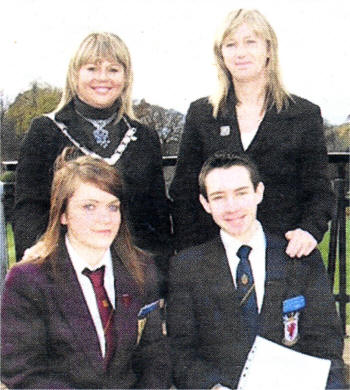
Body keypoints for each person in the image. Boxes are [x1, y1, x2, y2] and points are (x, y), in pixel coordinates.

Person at [167, 151, 345, 389]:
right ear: (205, 203)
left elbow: (327, 345)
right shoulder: (187, 267)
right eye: (219, 197)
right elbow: (181, 353)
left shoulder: (298, 257)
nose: (232, 207)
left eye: (241, 193)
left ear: (258, 192)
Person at [1, 148, 171, 389]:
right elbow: (22, 371)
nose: (105, 218)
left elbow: (154, 357)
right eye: (89, 207)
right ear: (63, 215)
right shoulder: (28, 280)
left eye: (112, 207)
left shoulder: (141, 269)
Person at [169, 9, 333, 257]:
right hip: (215, 257)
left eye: (250, 42)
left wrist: (309, 232)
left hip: (284, 253)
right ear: (221, 54)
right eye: (231, 44)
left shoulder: (303, 114)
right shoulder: (202, 113)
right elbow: (184, 191)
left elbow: (319, 191)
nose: (241, 52)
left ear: (269, 49)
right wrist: (194, 253)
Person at [13, 32, 171, 278]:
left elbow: (156, 217)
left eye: (113, 70)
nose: (103, 78)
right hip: (66, 274)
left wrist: (159, 278)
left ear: (126, 77)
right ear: (75, 74)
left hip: (133, 275)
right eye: (92, 68)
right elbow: (29, 208)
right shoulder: (45, 131)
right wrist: (44, 265)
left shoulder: (145, 137)